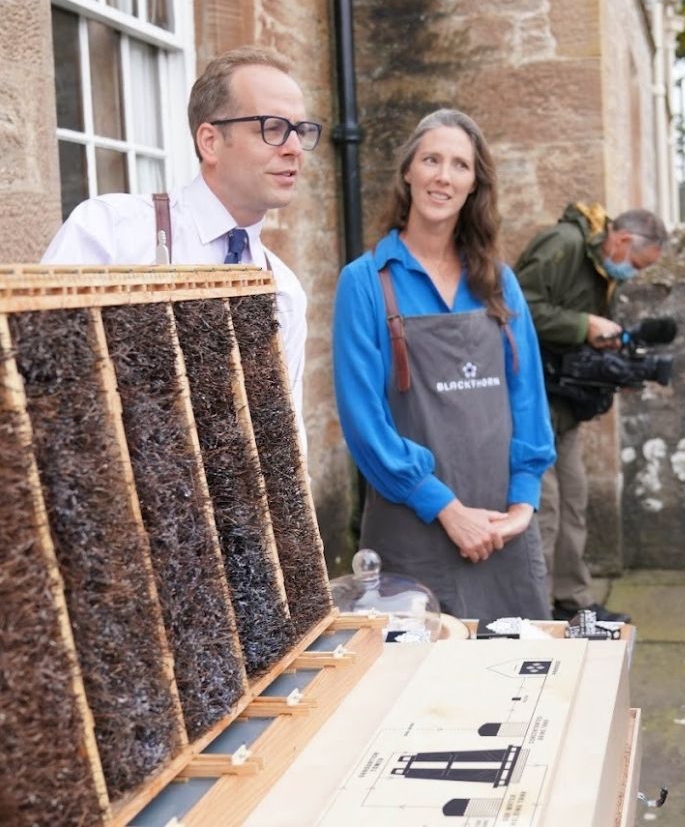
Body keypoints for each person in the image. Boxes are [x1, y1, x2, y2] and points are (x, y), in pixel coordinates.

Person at [333, 108, 554, 625]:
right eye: (432, 159)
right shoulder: (365, 282)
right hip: (414, 531)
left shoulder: (499, 281)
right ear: (408, 171)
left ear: (474, 184)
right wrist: (446, 510)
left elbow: (528, 398)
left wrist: (523, 502)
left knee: (519, 686)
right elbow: (364, 423)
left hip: (503, 529)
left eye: (459, 165)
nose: (443, 176)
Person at [41, 46, 315, 437]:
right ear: (210, 141)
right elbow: (43, 385)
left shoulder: (284, 289)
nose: (293, 148)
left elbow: (287, 437)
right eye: (272, 128)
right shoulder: (111, 231)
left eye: (301, 131)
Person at [515, 204, 666, 623]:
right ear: (620, 241)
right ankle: (536, 610)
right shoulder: (564, 245)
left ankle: (572, 600)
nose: (632, 275)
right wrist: (584, 325)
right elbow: (516, 306)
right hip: (533, 402)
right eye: (635, 264)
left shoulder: (601, 266)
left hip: (565, 403)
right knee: (542, 511)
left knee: (574, 502)